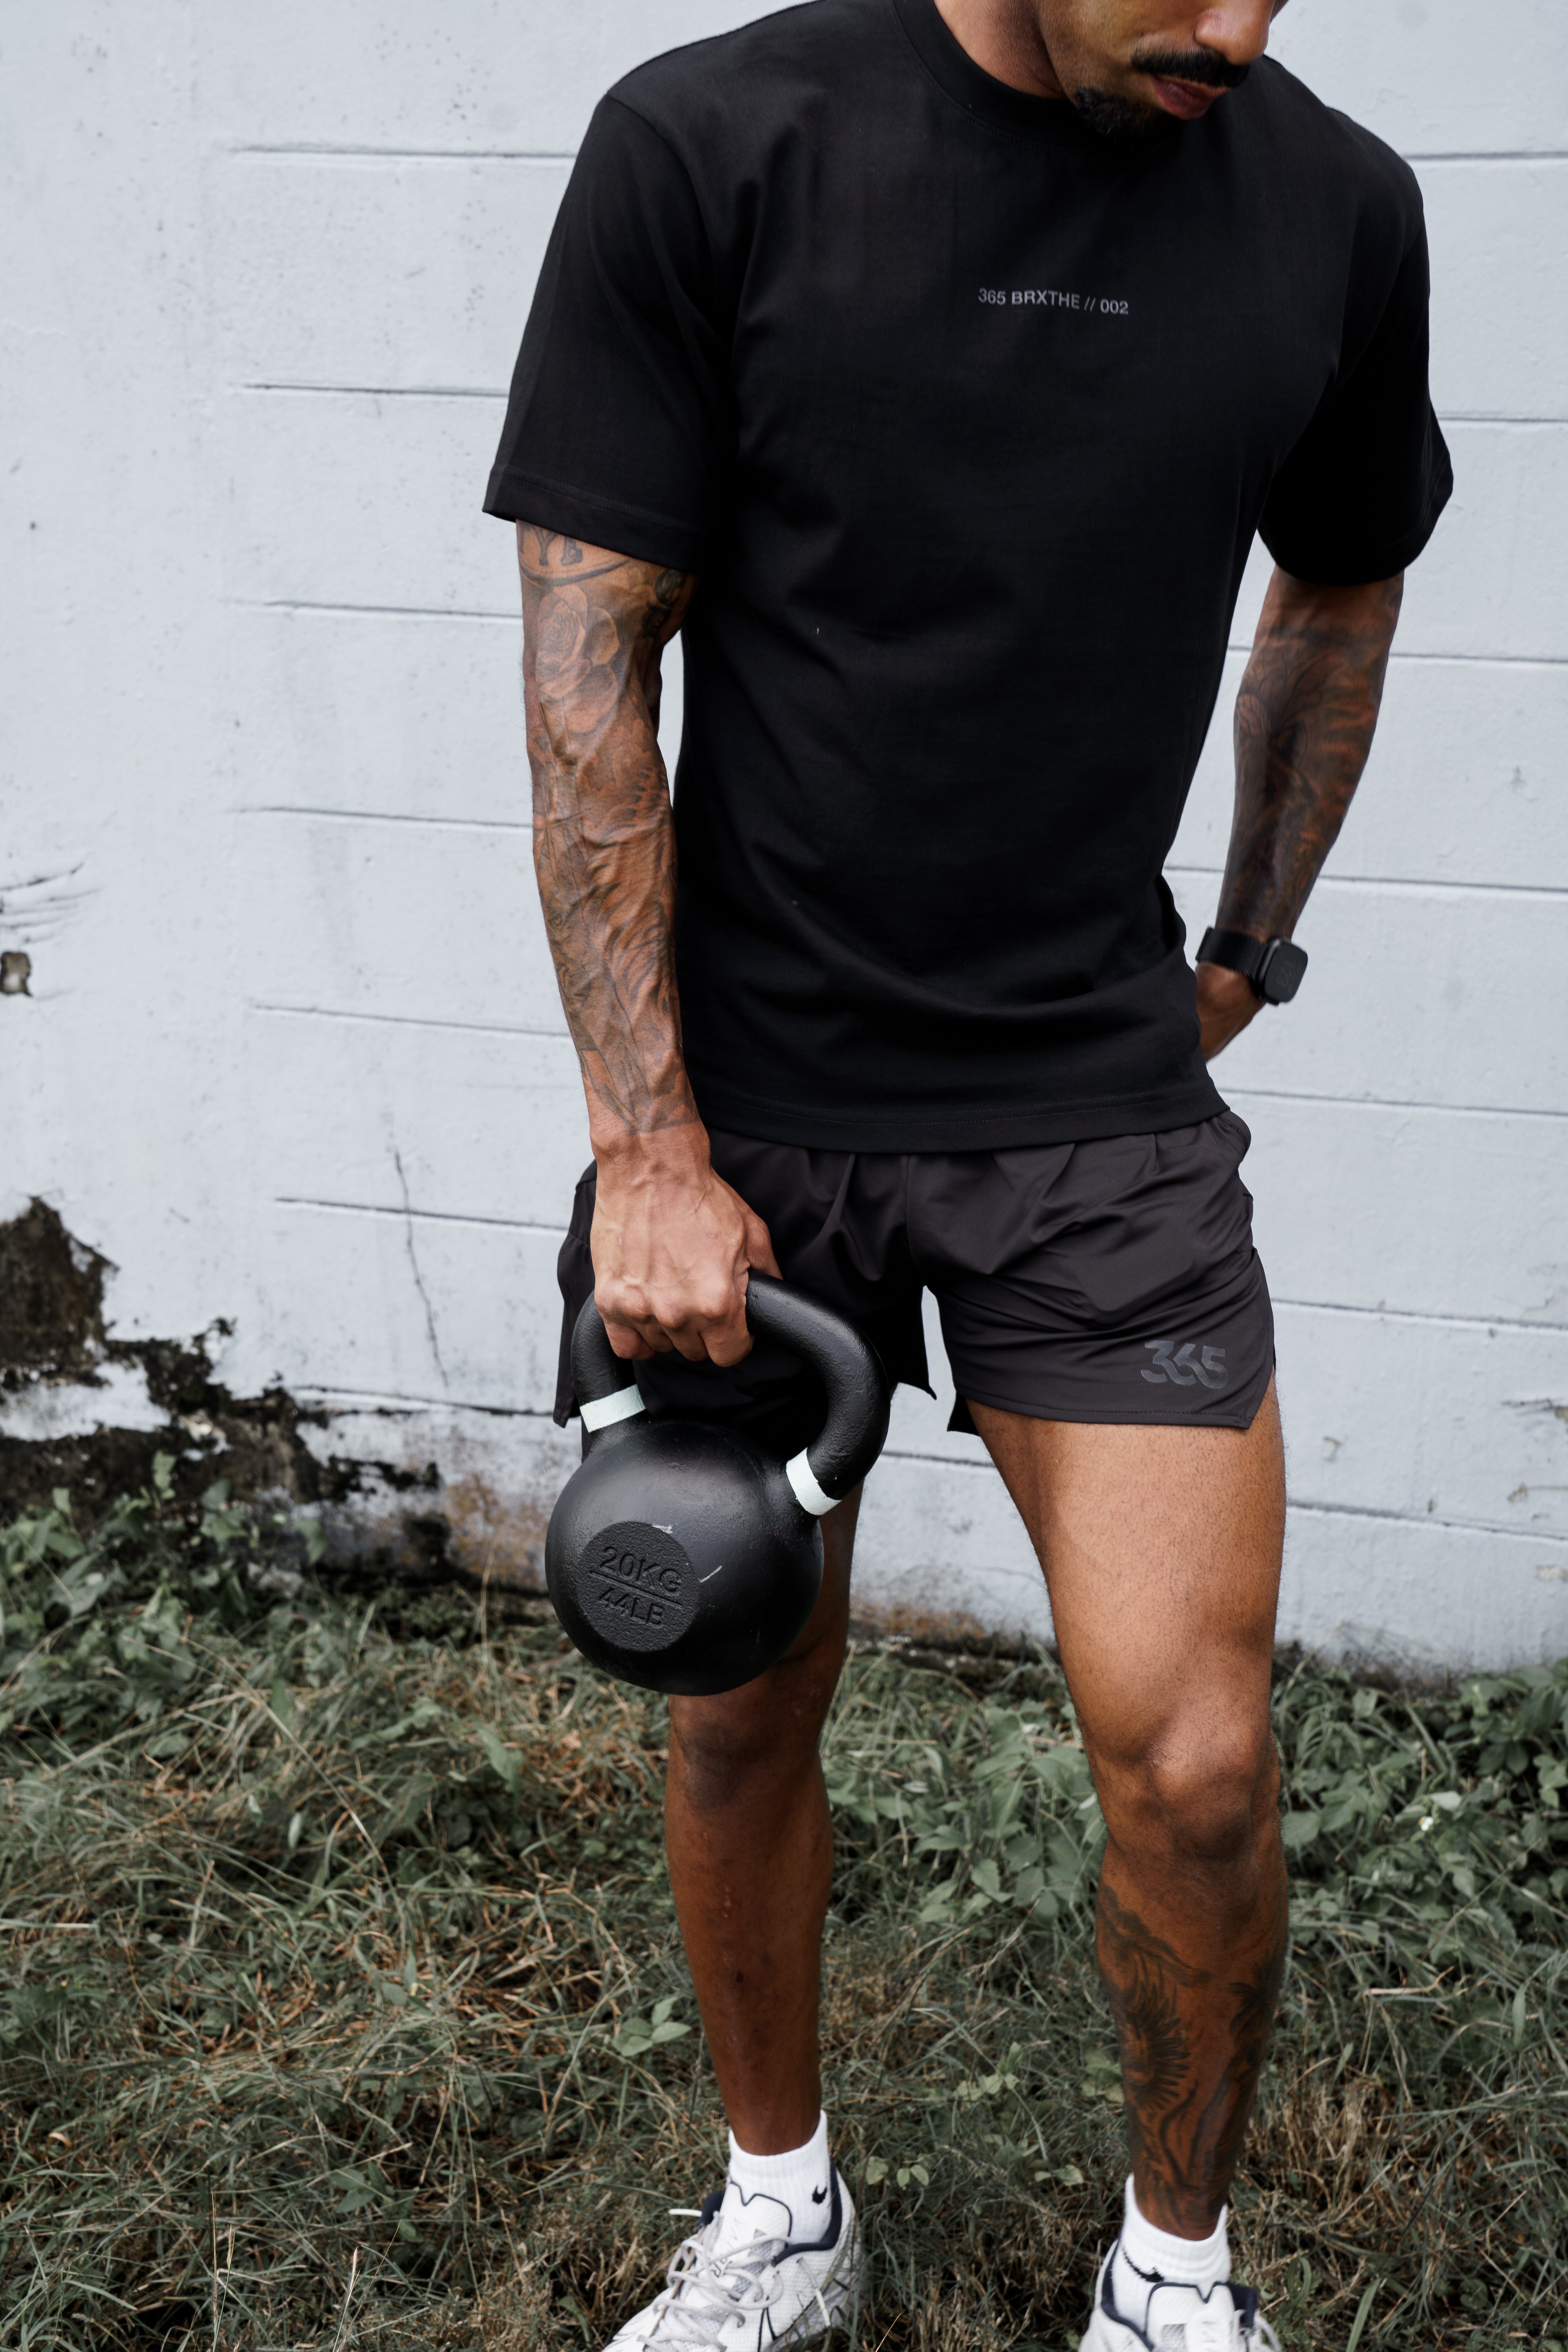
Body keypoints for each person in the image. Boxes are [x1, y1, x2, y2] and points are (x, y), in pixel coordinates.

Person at [484, 0, 1450, 2339]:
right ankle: (782, 2211)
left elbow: (1341, 586)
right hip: (753, 1115)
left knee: (1199, 1764)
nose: (1233, 25)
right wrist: (650, 1149)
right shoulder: (715, 144)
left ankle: (1173, 2279)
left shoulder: (1335, 206)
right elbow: (590, 662)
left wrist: (1249, 944)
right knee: (735, 1687)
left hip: (1090, 1114)